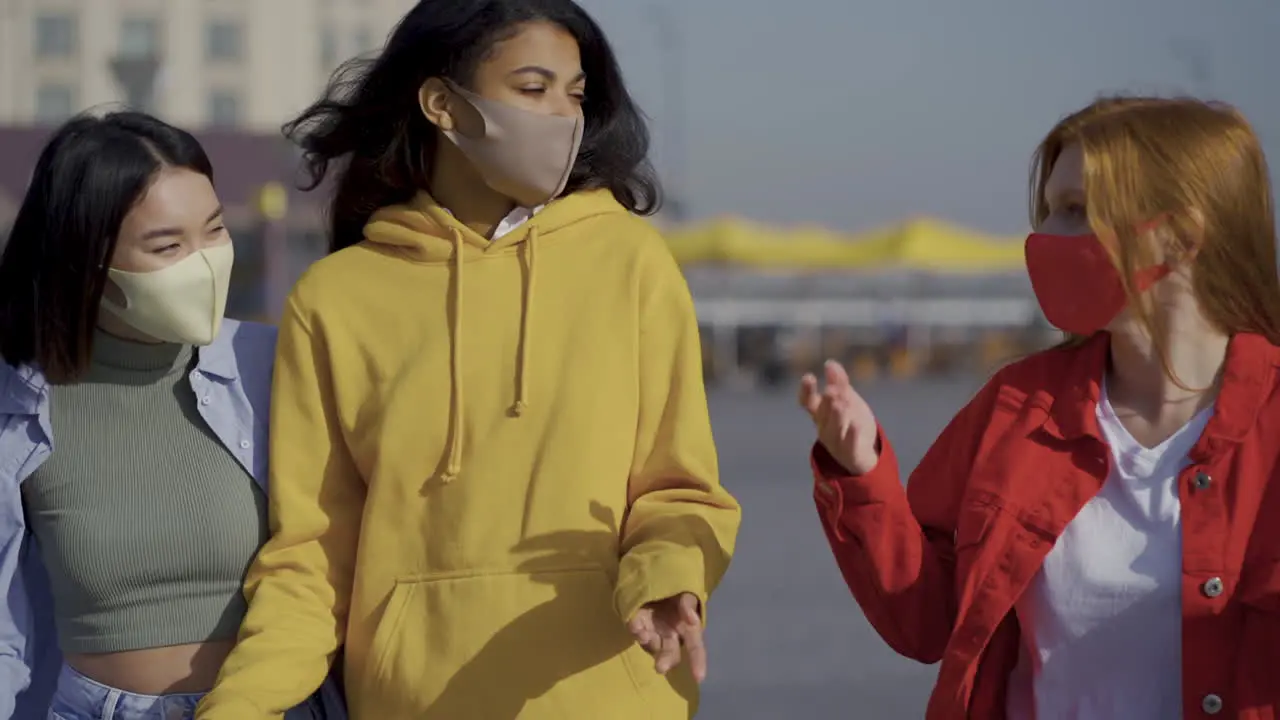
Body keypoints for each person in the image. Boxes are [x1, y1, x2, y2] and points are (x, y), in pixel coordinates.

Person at [195, 1, 741, 718]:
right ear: (440, 103)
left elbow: (681, 491)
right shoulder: (335, 300)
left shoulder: (631, 264)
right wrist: (239, 706)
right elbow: (312, 559)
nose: (562, 117)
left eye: (575, 95)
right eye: (534, 88)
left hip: (610, 695)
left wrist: (669, 574)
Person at [799, 96, 1280, 719]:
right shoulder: (1016, 406)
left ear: (1183, 236)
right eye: (1050, 210)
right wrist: (862, 473)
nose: (1047, 236)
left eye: (1077, 211)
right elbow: (924, 621)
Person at [0, 112, 344, 720]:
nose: (206, 261)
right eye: (168, 246)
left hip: (270, 708)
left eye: (214, 230)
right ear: (88, 260)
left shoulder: (270, 365)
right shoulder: (20, 401)